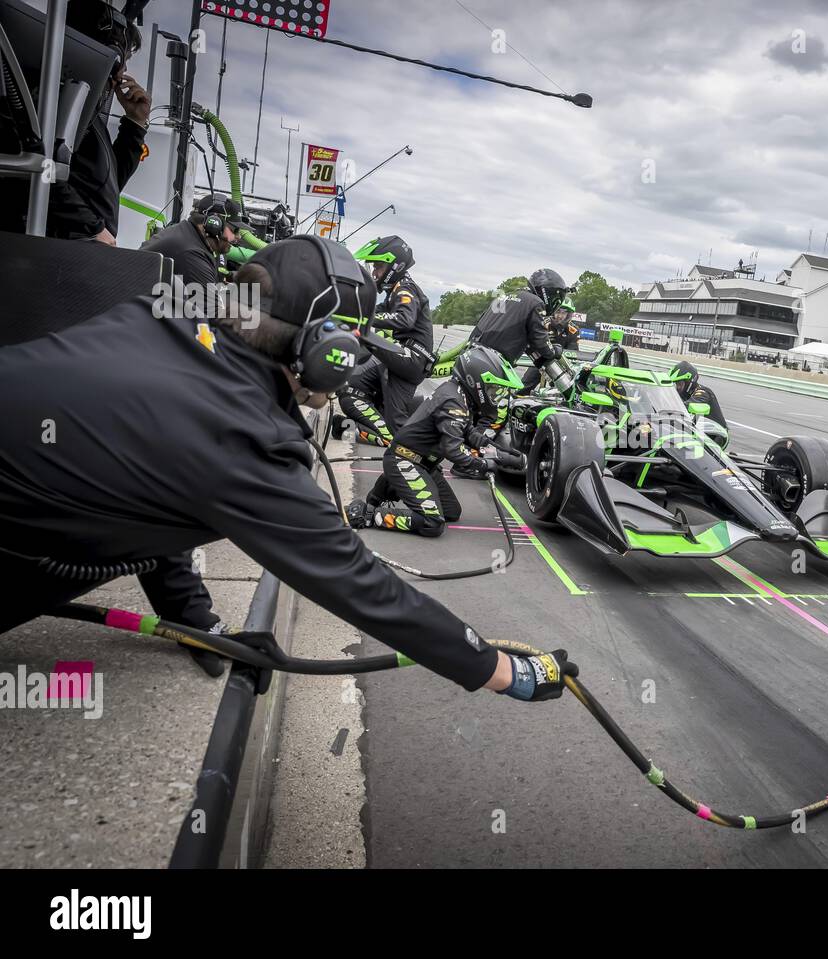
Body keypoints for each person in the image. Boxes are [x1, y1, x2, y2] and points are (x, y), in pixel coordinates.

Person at [0, 235, 574, 702]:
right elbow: (358, 584)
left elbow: (157, 497)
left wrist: (199, 623)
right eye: (351, 339)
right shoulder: (242, 439)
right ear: (326, 349)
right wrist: (501, 669)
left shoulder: (160, 320)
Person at [132, 193, 253, 674]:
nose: (234, 239)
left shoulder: (187, 244)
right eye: (231, 231)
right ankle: (193, 621)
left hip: (133, 357)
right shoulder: (191, 253)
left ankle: (191, 618)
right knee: (165, 495)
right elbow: (220, 317)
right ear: (214, 223)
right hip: (139, 374)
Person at [1, 0, 152, 241]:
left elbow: (105, 185)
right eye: (122, 59)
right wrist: (91, 228)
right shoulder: (46, 106)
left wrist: (135, 124)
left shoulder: (82, 114)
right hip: (51, 249)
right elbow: (40, 172)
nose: (123, 71)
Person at [347, 345, 524, 536]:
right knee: (432, 523)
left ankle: (387, 487)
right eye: (492, 389)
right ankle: (369, 514)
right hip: (405, 460)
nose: (494, 395)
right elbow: (454, 451)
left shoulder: (458, 393)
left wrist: (503, 455)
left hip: (423, 464)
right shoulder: (454, 401)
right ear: (476, 382)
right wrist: (486, 465)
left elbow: (469, 433)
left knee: (451, 512)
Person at [334, 235, 433, 446]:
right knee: (393, 423)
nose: (374, 273)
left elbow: (403, 319)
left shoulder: (405, 288)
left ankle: (351, 432)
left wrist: (359, 320)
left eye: (378, 267)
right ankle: (351, 426)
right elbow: (373, 310)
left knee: (396, 434)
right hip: (405, 359)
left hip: (413, 358)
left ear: (394, 265)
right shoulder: (396, 290)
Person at [468, 268, 569, 383]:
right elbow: (540, 340)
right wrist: (553, 351)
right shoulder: (535, 302)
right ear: (548, 292)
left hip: (471, 352)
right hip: (492, 362)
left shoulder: (505, 296)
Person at [141, 194, 248, 290]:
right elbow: (211, 309)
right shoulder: (192, 253)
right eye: (235, 230)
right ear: (215, 224)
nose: (238, 236)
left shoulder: (186, 233)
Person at [668, 359, 727, 430]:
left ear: (689, 382)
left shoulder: (702, 393)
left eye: (680, 384)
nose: (678, 387)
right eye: (676, 384)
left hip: (716, 434)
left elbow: (684, 407)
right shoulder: (685, 394)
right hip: (699, 430)